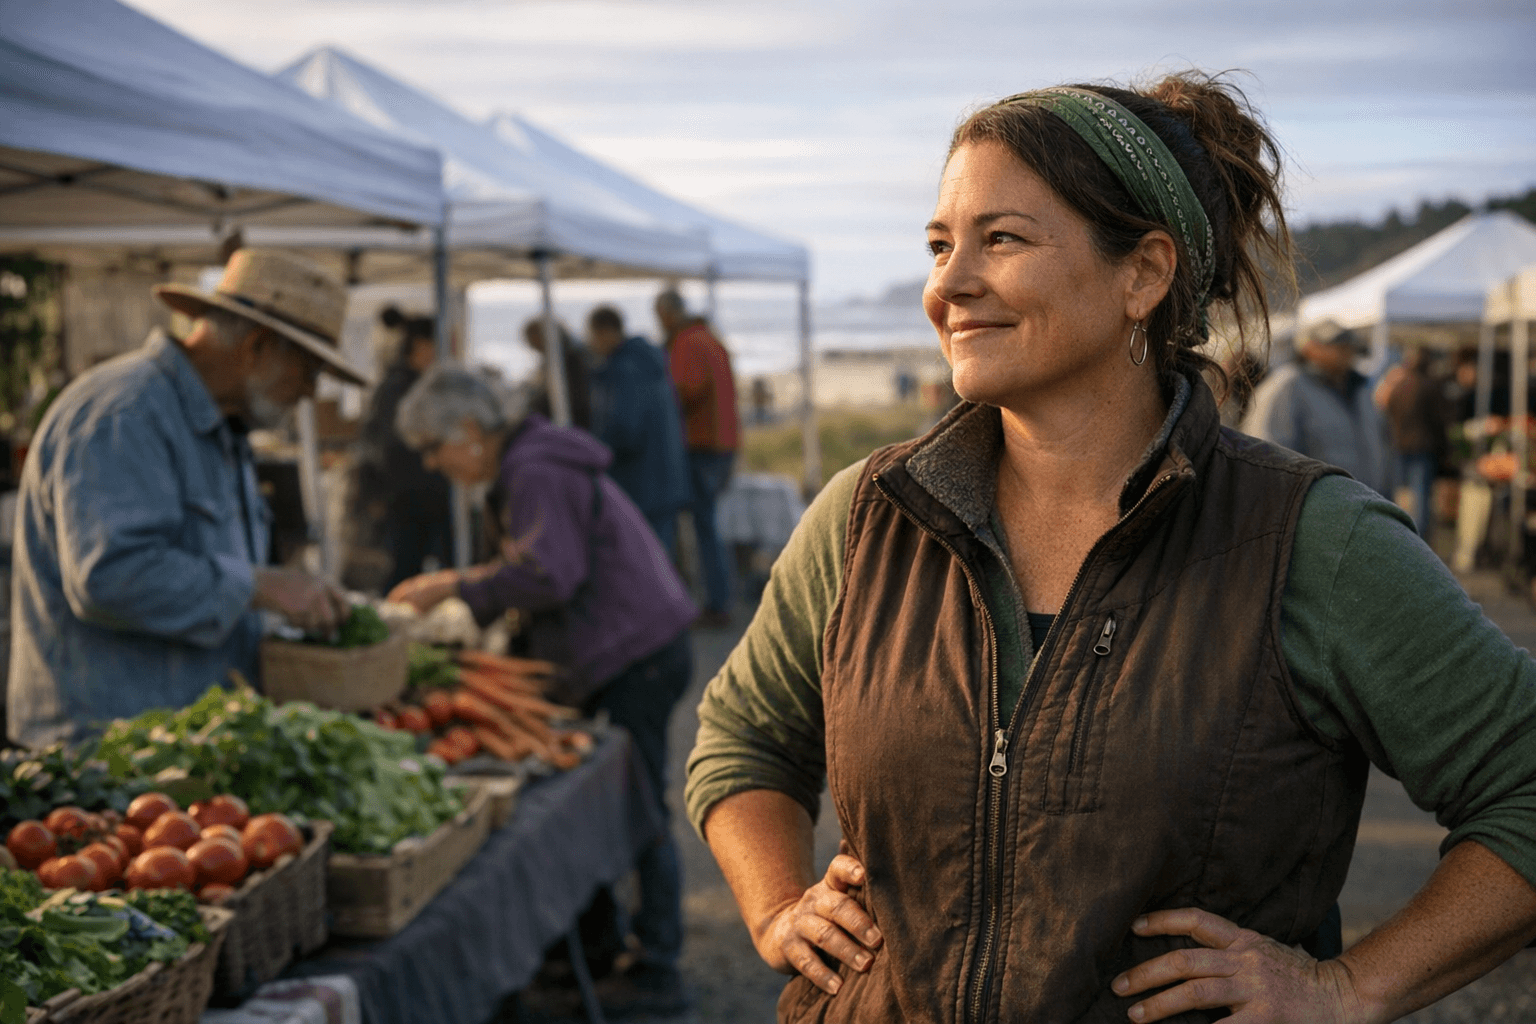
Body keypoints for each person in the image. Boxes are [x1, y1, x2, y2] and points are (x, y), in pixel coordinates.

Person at [685, 73, 1536, 1022]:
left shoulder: (1307, 540)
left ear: (1144, 274)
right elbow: (743, 739)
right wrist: (774, 908)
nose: (947, 284)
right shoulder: (867, 516)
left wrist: (1350, 988)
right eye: (938, 244)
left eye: (999, 239)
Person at [385, 365, 697, 1015]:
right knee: (619, 799)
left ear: (469, 431)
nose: (435, 464)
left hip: (632, 651)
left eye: (433, 448)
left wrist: (455, 588)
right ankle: (605, 943)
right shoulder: (531, 458)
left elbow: (549, 576)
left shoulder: (533, 469)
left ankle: (657, 968)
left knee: (637, 805)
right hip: (636, 642)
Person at [8, 248, 359, 748]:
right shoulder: (125, 414)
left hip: (181, 744)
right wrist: (259, 587)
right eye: (307, 371)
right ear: (256, 347)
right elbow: (110, 576)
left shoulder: (225, 427)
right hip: (104, 756)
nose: (309, 392)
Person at [655, 290, 738, 628]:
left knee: (695, 525)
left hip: (701, 444)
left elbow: (688, 388)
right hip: (720, 443)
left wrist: (662, 402)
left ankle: (713, 602)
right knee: (706, 525)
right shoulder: (710, 339)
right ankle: (711, 597)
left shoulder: (688, 342)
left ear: (668, 314)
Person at [355, 308, 453, 588]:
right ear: (420, 345)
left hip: (423, 496)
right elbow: (387, 447)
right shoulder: (398, 387)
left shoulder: (419, 383)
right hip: (408, 498)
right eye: (438, 343)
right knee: (404, 573)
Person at [1241, 319, 1394, 496]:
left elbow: (1381, 443)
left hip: (1367, 503)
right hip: (1316, 510)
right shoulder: (1286, 387)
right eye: (1336, 346)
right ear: (1309, 348)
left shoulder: (1360, 388)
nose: (1345, 352)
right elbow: (1268, 451)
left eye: (1347, 346)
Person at [586, 305, 690, 557]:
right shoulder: (650, 362)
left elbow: (626, 429)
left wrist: (596, 452)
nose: (592, 344)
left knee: (644, 558)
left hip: (640, 480)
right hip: (665, 475)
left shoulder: (626, 370)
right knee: (661, 557)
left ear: (606, 333)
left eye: (593, 336)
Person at [1374, 347, 1451, 537]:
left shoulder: (1398, 386)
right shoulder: (1428, 386)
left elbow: (1382, 408)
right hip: (1421, 447)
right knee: (1421, 496)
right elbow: (1440, 419)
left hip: (1399, 444)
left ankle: (1399, 534)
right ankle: (1419, 537)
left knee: (1400, 494)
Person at [524, 316, 592, 430]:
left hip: (574, 422)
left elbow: (569, 396)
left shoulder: (567, 360)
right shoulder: (561, 357)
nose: (533, 346)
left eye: (533, 339)